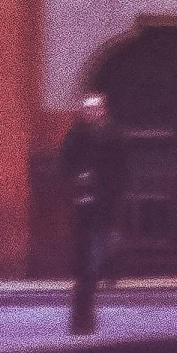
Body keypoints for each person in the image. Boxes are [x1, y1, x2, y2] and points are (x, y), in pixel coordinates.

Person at [59, 92, 128, 331]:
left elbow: (122, 166)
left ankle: (104, 270)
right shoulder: (77, 135)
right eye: (87, 109)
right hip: (85, 197)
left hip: (107, 198)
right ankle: (88, 272)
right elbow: (66, 161)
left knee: (106, 236)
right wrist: (77, 177)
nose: (91, 113)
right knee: (87, 240)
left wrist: (117, 189)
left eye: (95, 109)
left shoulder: (114, 135)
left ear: (103, 110)